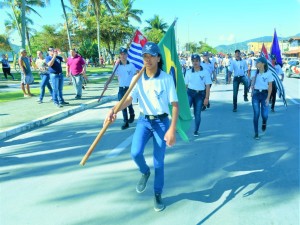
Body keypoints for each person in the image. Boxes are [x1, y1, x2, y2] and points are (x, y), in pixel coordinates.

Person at [105, 42, 178, 212]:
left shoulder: (166, 79)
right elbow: (129, 99)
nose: (148, 59)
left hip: (161, 122)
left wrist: (172, 129)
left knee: (159, 162)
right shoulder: (136, 78)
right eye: (145, 56)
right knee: (135, 152)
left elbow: (175, 105)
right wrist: (113, 110)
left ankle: (157, 194)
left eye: (152, 56)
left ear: (158, 58)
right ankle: (145, 172)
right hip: (144, 121)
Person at [184, 54, 211, 137]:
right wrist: (183, 97)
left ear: (199, 61)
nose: (195, 63)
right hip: (190, 93)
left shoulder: (205, 72)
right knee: (185, 110)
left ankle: (196, 130)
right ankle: (180, 127)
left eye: (196, 61)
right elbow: (185, 86)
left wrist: (206, 98)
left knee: (197, 113)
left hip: (200, 95)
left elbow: (207, 86)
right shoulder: (188, 72)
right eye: (193, 61)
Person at [114, 47, 138, 130]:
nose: (123, 56)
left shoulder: (131, 65)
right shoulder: (117, 66)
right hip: (121, 88)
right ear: (119, 55)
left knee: (129, 104)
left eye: (124, 54)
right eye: (121, 54)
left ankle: (132, 114)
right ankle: (125, 122)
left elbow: (135, 74)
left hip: (129, 87)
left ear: (127, 55)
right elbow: (114, 74)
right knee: (122, 105)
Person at [250, 57, 273, 140]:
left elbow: (270, 87)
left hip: (264, 94)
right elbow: (252, 82)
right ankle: (256, 133)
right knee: (256, 114)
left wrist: (268, 98)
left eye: (258, 62)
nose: (256, 63)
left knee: (265, 115)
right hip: (256, 94)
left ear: (263, 63)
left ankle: (264, 122)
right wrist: (252, 90)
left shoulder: (268, 73)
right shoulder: (255, 72)